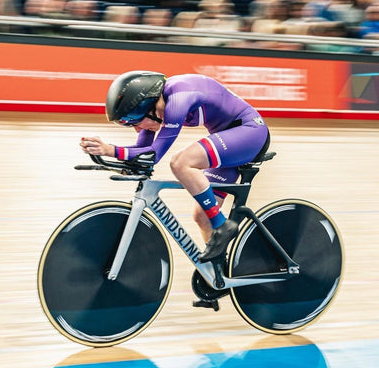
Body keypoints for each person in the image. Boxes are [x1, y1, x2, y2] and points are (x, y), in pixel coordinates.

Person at [80, 71, 270, 263]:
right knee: (202, 215)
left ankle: (223, 226)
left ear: (149, 106)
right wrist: (103, 151)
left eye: (134, 121)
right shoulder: (155, 109)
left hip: (249, 132)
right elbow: (141, 150)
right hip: (230, 139)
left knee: (180, 162)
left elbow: (153, 154)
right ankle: (219, 269)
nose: (137, 129)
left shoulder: (178, 99)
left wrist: (110, 150)